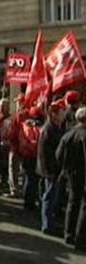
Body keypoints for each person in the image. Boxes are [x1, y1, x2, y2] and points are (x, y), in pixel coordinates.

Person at [56, 107, 86, 251]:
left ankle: (68, 234)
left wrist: (65, 169)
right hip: (82, 174)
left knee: (72, 203)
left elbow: (58, 155)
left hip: (71, 174)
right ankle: (80, 237)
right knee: (84, 205)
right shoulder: (83, 135)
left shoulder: (68, 135)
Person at [37, 100, 65, 235]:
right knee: (49, 196)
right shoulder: (48, 130)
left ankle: (49, 222)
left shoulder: (56, 127)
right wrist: (50, 171)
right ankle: (47, 225)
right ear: (53, 114)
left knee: (51, 197)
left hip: (53, 169)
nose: (63, 114)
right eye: (60, 112)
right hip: (50, 170)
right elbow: (45, 154)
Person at [18, 106, 43, 211]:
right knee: (30, 179)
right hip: (29, 156)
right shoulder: (27, 127)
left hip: (33, 156)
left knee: (32, 180)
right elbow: (28, 142)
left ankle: (30, 201)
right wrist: (37, 145)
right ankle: (28, 202)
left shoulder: (30, 127)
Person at [7, 94, 28, 198]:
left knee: (13, 168)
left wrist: (9, 138)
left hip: (16, 146)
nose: (16, 104)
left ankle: (14, 190)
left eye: (18, 102)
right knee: (23, 169)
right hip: (25, 147)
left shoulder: (19, 115)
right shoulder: (28, 114)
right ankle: (24, 189)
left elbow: (15, 131)